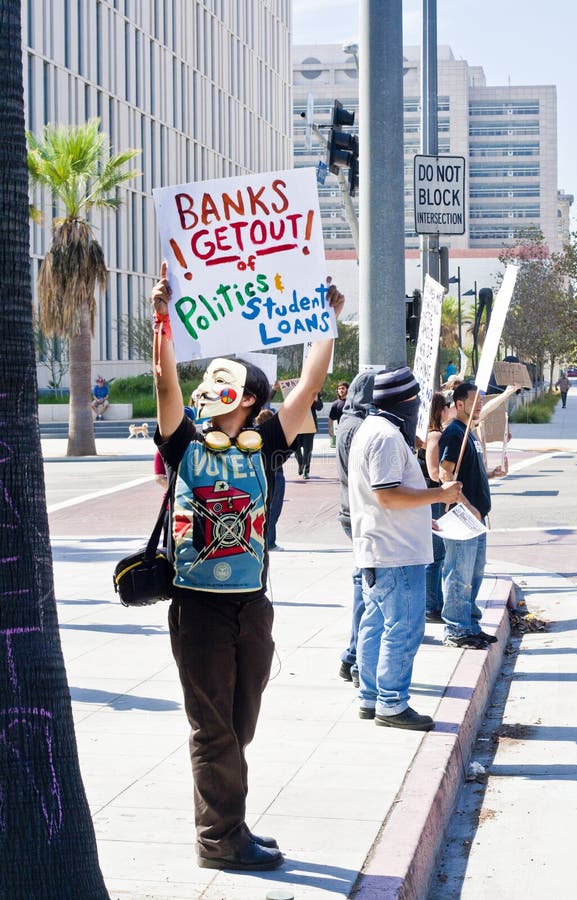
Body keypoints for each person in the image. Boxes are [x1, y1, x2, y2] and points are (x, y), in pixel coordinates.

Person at [150, 261, 344, 872]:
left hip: (251, 608)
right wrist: (163, 319)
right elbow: (163, 385)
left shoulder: (267, 444)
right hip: (198, 608)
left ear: (252, 397)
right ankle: (220, 842)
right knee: (214, 732)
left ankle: (231, 825)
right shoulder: (183, 441)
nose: (208, 389)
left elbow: (310, 385)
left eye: (224, 380)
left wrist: (326, 321)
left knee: (239, 725)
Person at [348, 367, 462, 730]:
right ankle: (392, 703)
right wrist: (439, 494)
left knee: (376, 623)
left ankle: (370, 697)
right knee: (403, 627)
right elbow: (387, 495)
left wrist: (420, 514)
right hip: (395, 551)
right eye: (417, 398)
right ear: (407, 401)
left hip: (384, 544)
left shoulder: (375, 429)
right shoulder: (383, 436)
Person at [438, 381, 505, 649]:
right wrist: (468, 506)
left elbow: (467, 472)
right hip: (461, 518)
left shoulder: (470, 432)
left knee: (474, 575)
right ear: (459, 403)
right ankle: (456, 629)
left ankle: (470, 625)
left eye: (481, 399)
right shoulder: (454, 434)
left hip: (476, 519)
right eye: (475, 400)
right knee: (458, 574)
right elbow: (445, 474)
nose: (480, 404)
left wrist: (492, 474)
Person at [335, 372, 375, 686]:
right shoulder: (358, 427)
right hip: (360, 515)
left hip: (354, 513)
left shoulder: (352, 422)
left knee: (365, 583)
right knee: (367, 586)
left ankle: (353, 655)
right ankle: (357, 657)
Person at [423, 392, 456, 623]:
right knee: (436, 555)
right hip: (435, 498)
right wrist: (450, 483)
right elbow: (434, 472)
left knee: (439, 554)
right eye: (447, 405)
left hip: (436, 497)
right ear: (439, 409)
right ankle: (430, 605)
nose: (449, 408)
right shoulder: (435, 436)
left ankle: (435, 602)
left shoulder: (437, 434)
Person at [256, 409, 285, 550]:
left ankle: (263, 540)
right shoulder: (273, 435)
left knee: (265, 509)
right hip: (275, 472)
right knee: (274, 509)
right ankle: (270, 542)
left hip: (261, 473)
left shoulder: (253, 435)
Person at [294, 393, 323, 479]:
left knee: (308, 449)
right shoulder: (294, 393)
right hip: (297, 425)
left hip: (310, 426)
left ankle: (305, 471)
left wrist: (316, 398)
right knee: (296, 448)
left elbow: (319, 407)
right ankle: (301, 463)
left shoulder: (314, 393)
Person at [328, 381, 349, 447]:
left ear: (347, 389)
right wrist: (330, 429)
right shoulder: (335, 404)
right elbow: (331, 418)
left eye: (343, 388)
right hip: (341, 430)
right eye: (339, 389)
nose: (341, 390)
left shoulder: (352, 402)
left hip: (351, 429)